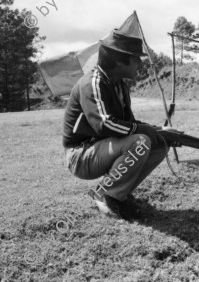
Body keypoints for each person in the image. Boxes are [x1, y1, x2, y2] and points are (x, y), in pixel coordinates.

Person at [62, 30, 182, 219]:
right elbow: (104, 125)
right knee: (141, 141)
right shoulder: (93, 83)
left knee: (160, 143)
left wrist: (160, 131)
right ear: (119, 60)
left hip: (102, 149)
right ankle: (105, 194)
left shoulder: (119, 85)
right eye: (136, 59)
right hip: (80, 155)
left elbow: (129, 124)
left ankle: (119, 195)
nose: (141, 64)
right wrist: (147, 130)